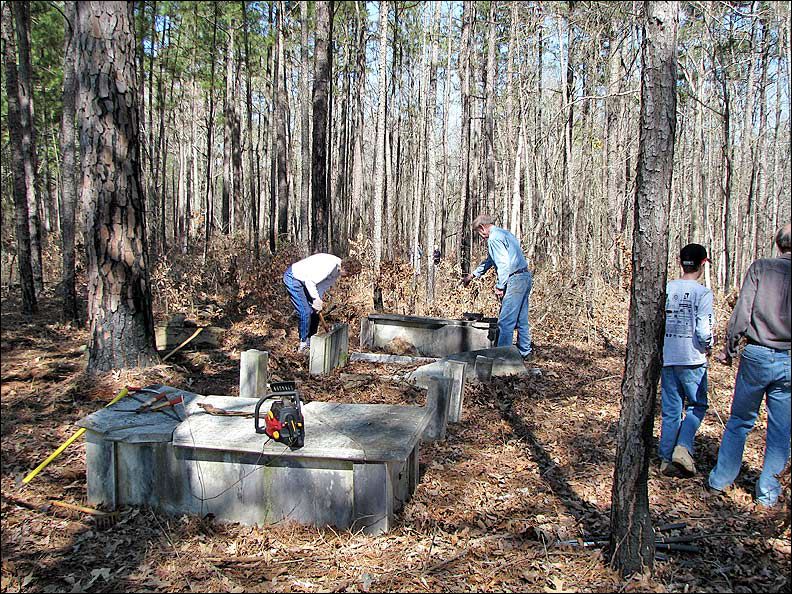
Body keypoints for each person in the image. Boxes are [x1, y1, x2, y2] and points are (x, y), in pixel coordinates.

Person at [707, 223, 791, 507]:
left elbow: (743, 311)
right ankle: (768, 493)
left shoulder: (761, 268)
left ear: (778, 244)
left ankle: (721, 479)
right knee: (780, 430)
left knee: (740, 420)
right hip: (787, 360)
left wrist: (729, 347)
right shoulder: (762, 268)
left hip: (756, 354)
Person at [659, 243, 714, 476]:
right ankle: (682, 448)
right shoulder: (703, 294)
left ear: (680, 262)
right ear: (703, 264)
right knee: (697, 405)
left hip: (669, 357)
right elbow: (703, 330)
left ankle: (665, 458)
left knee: (671, 410)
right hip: (693, 359)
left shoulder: (668, 288)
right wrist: (708, 345)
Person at [461, 214, 533, 360]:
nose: (481, 237)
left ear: (482, 228)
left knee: (506, 322)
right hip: (525, 276)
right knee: (521, 320)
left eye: (478, 233)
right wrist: (473, 275)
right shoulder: (505, 234)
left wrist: (500, 286)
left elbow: (503, 264)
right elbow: (490, 260)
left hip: (514, 279)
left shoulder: (493, 238)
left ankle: (502, 358)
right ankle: (525, 352)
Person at [283, 253, 362, 352]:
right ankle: (303, 345)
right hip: (294, 277)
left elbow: (321, 287)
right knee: (305, 312)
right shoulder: (329, 265)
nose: (348, 278)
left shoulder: (336, 272)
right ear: (345, 269)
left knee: (315, 312)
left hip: (306, 281)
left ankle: (311, 341)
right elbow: (310, 281)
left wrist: (318, 301)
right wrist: (315, 299)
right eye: (349, 275)